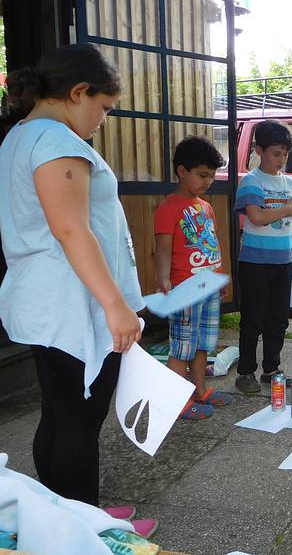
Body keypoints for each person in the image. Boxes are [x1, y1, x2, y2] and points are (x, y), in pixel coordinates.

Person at [0, 43, 156, 537]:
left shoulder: (23, 135)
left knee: (61, 414)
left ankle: (64, 519)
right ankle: (85, 535)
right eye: (104, 108)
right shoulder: (53, 140)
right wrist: (116, 305)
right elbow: (71, 230)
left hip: (49, 300)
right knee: (78, 422)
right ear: (78, 92)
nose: (103, 120)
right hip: (70, 304)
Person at [154, 136, 232, 420]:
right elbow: (162, 247)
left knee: (203, 343)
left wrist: (219, 279)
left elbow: (211, 244)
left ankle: (200, 390)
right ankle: (177, 402)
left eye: (211, 176)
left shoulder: (206, 207)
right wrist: (164, 279)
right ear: (182, 171)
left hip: (208, 287)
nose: (208, 181)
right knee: (182, 346)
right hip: (184, 289)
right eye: (202, 175)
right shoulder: (168, 208)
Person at [234, 120, 292, 394]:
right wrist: (286, 210)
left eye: (285, 154)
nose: (281, 159)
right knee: (253, 319)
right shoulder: (251, 181)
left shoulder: (291, 184)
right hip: (254, 263)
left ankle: (271, 370)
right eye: (276, 153)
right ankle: (245, 372)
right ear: (259, 150)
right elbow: (256, 216)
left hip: (282, 262)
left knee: (278, 319)